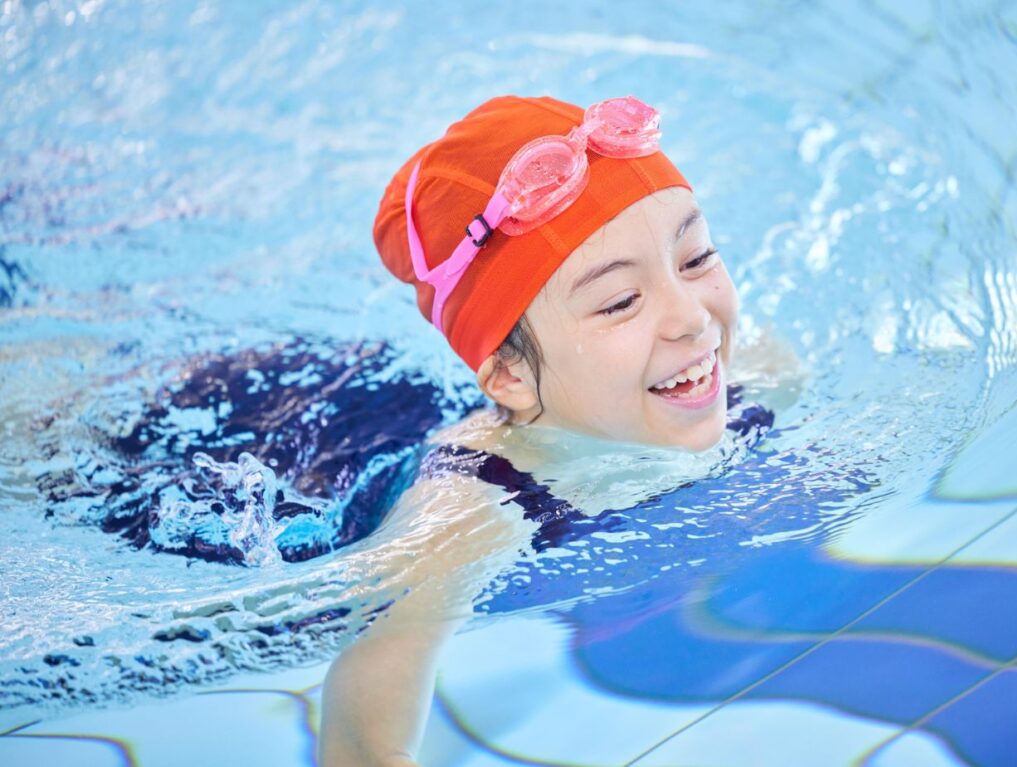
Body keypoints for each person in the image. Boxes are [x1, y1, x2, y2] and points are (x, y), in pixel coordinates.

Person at [317, 94, 801, 766]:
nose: (691, 317)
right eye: (620, 301)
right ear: (510, 378)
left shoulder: (764, 372)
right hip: (287, 452)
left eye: (695, 258)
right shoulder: (468, 512)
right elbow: (360, 741)